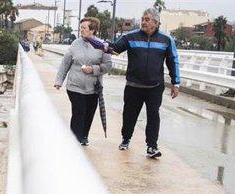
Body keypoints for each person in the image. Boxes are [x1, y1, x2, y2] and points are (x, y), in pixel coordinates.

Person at [105, 7, 180, 158]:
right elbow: (115, 49)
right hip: (133, 85)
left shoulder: (166, 40)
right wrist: (103, 45)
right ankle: (126, 139)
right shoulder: (131, 37)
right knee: (129, 115)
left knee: (153, 116)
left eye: (147, 20)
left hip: (155, 86)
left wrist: (175, 83)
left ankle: (152, 146)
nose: (143, 22)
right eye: (143, 19)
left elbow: (173, 61)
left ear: (156, 22)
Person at [53, 18, 112, 146]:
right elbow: (66, 63)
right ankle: (74, 139)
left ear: (93, 30)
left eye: (84, 28)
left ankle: (84, 135)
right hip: (75, 86)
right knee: (78, 111)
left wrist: (93, 69)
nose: (81, 31)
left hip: (93, 88)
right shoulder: (75, 44)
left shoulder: (103, 46)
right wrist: (59, 80)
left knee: (89, 113)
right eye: (81, 28)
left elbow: (108, 66)